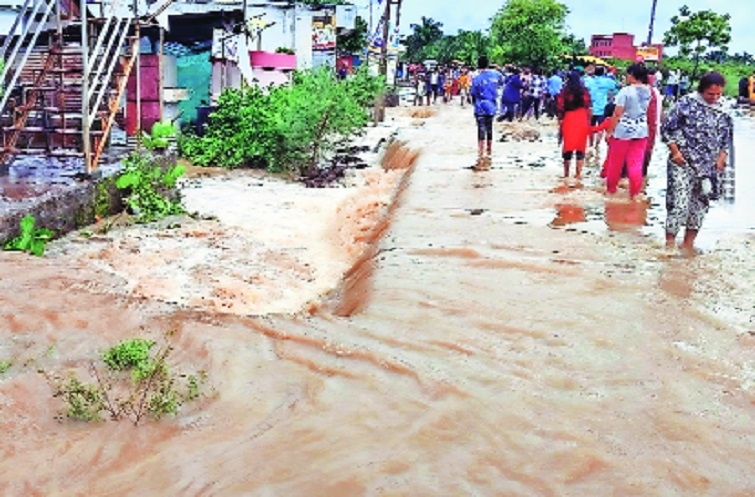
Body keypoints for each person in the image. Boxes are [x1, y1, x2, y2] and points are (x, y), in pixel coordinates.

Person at [661, 71, 734, 253]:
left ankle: (688, 244)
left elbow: (727, 138)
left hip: (708, 167)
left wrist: (722, 157)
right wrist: (675, 152)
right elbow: (667, 129)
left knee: (700, 205)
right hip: (683, 163)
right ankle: (669, 244)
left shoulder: (724, 109)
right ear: (702, 90)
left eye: (718, 94)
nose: (715, 97)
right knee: (679, 204)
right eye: (711, 94)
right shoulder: (686, 103)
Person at [605, 63, 652, 199]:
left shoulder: (626, 91)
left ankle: (611, 192)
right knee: (636, 164)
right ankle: (634, 195)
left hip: (623, 132)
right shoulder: (648, 91)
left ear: (631, 76)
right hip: (641, 131)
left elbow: (617, 114)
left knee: (615, 163)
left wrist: (609, 132)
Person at [556, 71, 592, 178]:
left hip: (569, 118)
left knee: (568, 145)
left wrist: (560, 120)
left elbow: (560, 106)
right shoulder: (584, 91)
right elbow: (588, 106)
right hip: (582, 118)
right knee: (581, 146)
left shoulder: (565, 91)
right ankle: (578, 174)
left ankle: (566, 174)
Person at [471, 56, 504, 159]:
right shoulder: (496, 75)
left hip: (480, 106)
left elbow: (473, 93)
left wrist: (473, 103)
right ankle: (489, 150)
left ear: (478, 65)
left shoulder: (477, 78)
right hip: (492, 106)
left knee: (481, 129)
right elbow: (502, 82)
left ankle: (480, 153)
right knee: (489, 128)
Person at [585, 65, 618, 148]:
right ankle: (597, 145)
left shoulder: (588, 81)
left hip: (591, 108)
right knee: (601, 128)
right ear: (603, 73)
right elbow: (615, 87)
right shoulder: (608, 81)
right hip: (602, 108)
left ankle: (590, 144)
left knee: (590, 126)